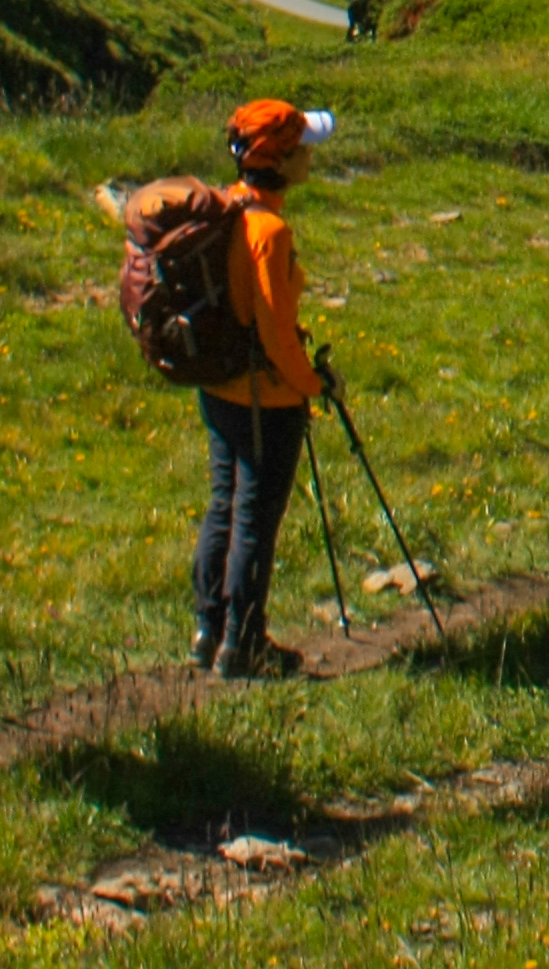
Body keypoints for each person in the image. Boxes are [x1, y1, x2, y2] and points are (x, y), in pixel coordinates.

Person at [193, 98, 335, 678]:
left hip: (219, 386)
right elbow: (277, 333)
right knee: (255, 516)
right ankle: (244, 646)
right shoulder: (269, 230)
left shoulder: (226, 209)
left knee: (224, 505)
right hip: (266, 399)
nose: (311, 159)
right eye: (304, 148)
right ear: (282, 160)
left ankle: (210, 632)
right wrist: (312, 383)